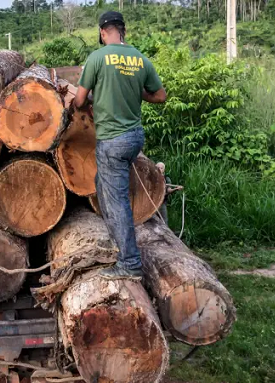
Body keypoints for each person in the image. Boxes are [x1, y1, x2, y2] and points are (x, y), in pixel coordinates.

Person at [73, 11, 167, 280]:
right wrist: (136, 91)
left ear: (103, 33)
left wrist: (92, 96)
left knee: (118, 204)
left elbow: (79, 102)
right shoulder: (140, 58)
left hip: (112, 141)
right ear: (123, 31)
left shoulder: (97, 58)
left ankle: (130, 264)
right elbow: (160, 96)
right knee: (102, 185)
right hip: (134, 136)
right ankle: (118, 245)